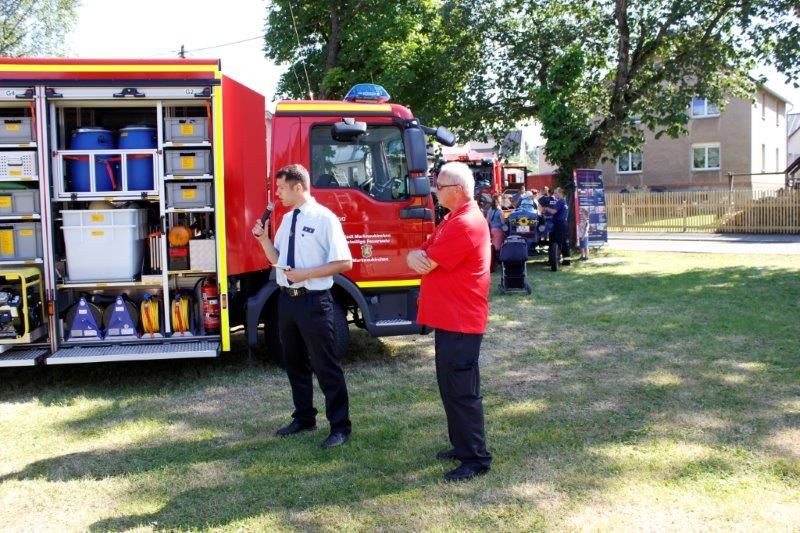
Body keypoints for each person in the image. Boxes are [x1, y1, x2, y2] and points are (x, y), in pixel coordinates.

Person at [251, 163, 354, 450]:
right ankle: (304, 418)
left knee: (325, 365)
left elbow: (344, 262)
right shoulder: (287, 219)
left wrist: (306, 274)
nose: (278, 194)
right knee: (294, 362)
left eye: (281, 188)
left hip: (314, 302)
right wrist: (263, 240)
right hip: (287, 300)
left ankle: (340, 427)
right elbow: (278, 259)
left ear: (298, 187)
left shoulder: (324, 218)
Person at [406, 161, 492, 482]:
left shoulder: (464, 223)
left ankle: (476, 458)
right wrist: (416, 257)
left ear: (456, 190)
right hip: (450, 320)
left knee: (462, 391)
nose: (434, 190)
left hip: (461, 321)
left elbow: (424, 261)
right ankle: (462, 445)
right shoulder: (452, 219)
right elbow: (421, 254)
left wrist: (418, 258)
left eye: (439, 186)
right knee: (450, 387)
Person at [545, 186, 571, 261]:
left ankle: (556, 260)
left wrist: (546, 208)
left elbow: (553, 211)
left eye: (556, 193)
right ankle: (566, 260)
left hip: (559, 224)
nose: (554, 194)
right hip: (563, 223)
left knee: (557, 241)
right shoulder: (564, 201)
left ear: (560, 193)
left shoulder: (560, 201)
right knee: (564, 242)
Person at [485, 194, 505, 272]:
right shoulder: (500, 211)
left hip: (492, 230)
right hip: (499, 231)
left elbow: (487, 221)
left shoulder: (490, 210)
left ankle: (492, 262)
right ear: (499, 201)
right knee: (498, 248)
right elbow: (503, 222)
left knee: (493, 247)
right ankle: (497, 264)